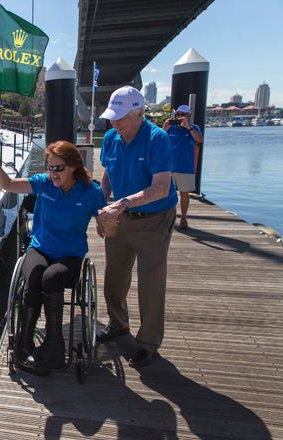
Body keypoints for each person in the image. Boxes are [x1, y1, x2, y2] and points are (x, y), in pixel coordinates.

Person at [0, 140, 106, 375]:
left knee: (51, 277)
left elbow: (107, 227)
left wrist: (108, 222)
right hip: (40, 248)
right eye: (49, 167)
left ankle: (54, 347)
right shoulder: (44, 184)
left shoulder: (91, 193)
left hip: (70, 254)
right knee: (35, 276)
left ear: (72, 167)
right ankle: (24, 343)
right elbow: (6, 184)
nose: (52, 173)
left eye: (58, 168)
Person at [96, 86, 178, 369]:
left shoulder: (158, 139)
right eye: (113, 117)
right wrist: (102, 203)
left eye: (121, 117)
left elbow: (160, 188)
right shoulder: (110, 137)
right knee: (114, 278)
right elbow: (107, 173)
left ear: (140, 114)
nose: (115, 123)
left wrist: (120, 204)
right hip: (121, 219)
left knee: (150, 283)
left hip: (154, 219)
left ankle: (148, 343)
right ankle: (118, 325)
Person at [163, 104, 204, 229]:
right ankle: (166, 218)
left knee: (184, 194)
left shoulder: (194, 128)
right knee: (166, 194)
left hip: (186, 167)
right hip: (168, 167)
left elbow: (200, 140)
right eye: (179, 114)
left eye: (184, 115)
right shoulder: (171, 128)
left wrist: (189, 128)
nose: (181, 117)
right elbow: (158, 139)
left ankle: (183, 217)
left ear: (189, 116)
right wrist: (165, 126)